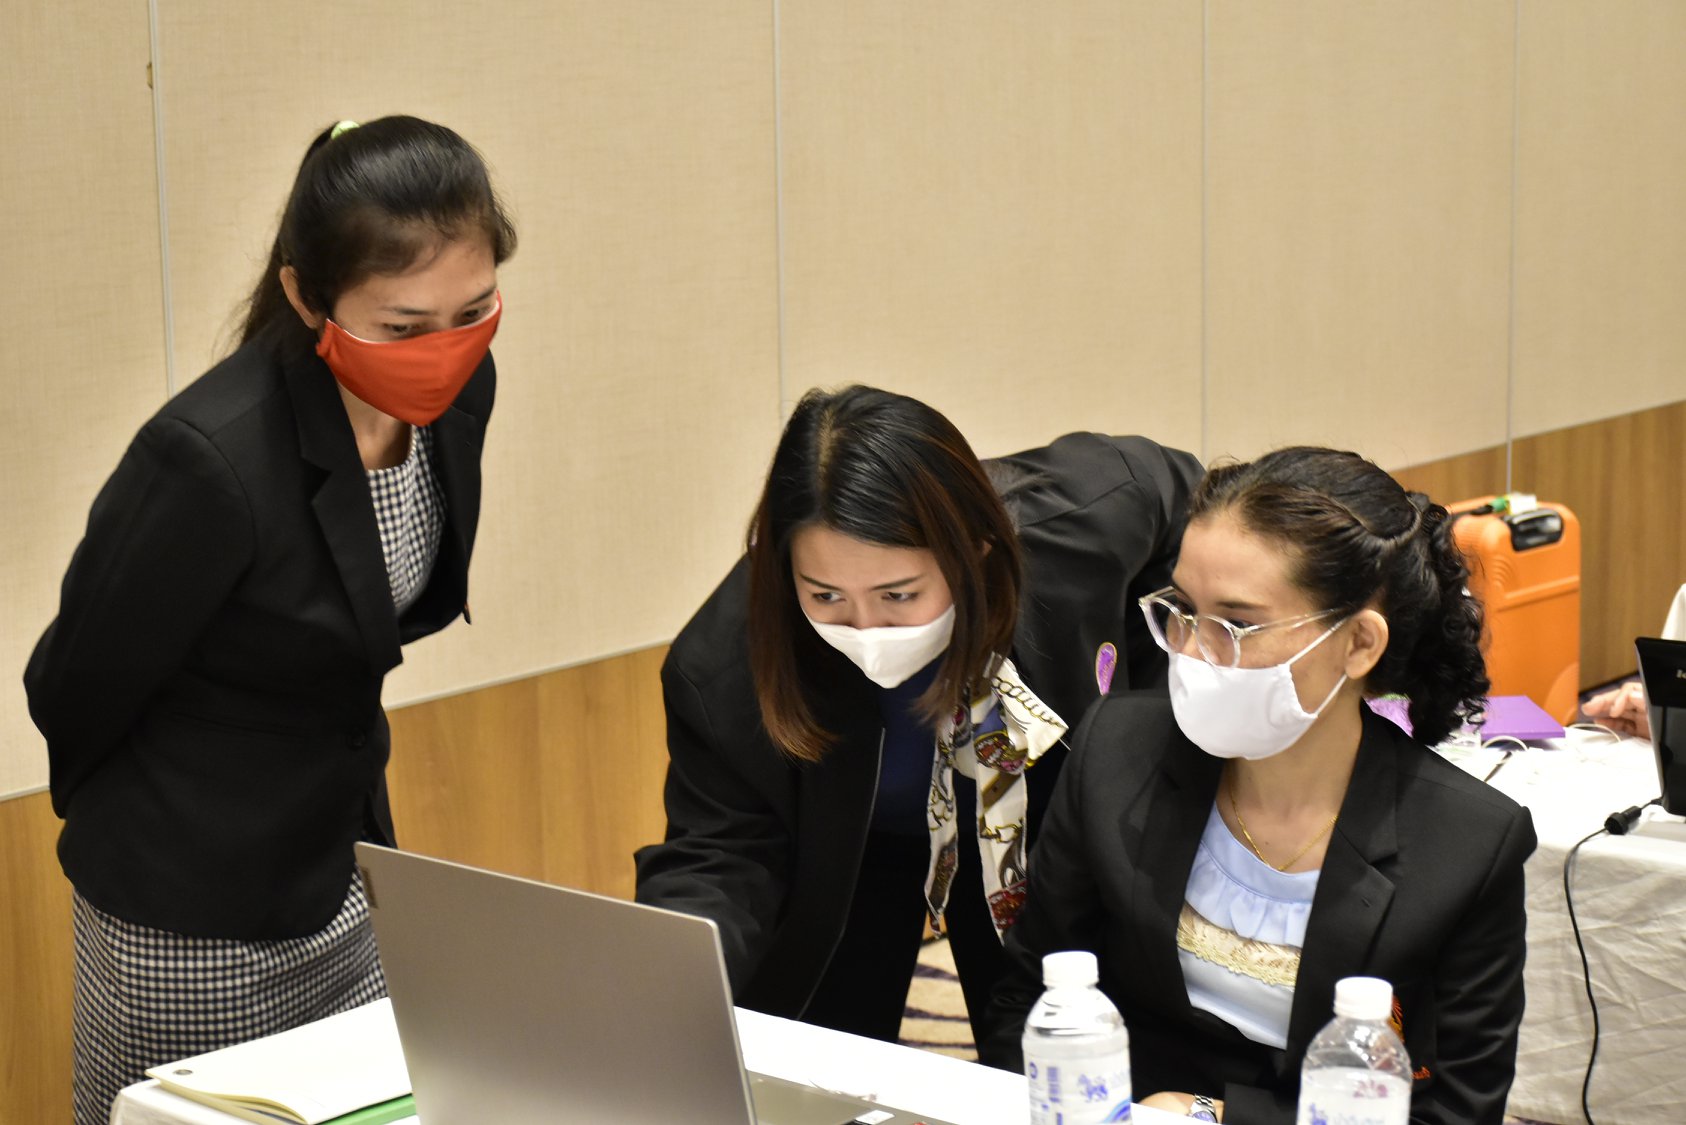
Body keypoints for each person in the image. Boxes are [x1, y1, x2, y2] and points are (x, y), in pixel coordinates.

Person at [24, 116, 516, 1125]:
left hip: (338, 871)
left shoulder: (460, 395)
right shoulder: (210, 460)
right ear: (306, 296)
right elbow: (68, 684)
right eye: (403, 327)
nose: (444, 352)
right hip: (189, 908)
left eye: (473, 312)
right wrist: (178, 814)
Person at [979, 447, 1536, 1125]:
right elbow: (1028, 996)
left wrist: (1211, 1115)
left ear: (1359, 643)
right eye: (1183, 610)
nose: (1190, 651)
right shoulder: (1116, 750)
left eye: (1237, 624)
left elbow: (1453, 1110)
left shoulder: (1467, 843)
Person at [634, 384, 1204, 1045]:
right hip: (851, 850)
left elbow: (1184, 497)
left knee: (1038, 1033)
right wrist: (674, 970)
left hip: (1012, 814)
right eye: (826, 595)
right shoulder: (722, 663)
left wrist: (1155, 684)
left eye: (898, 594)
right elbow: (721, 852)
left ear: (973, 553)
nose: (865, 627)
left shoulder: (1079, 521)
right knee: (831, 1056)